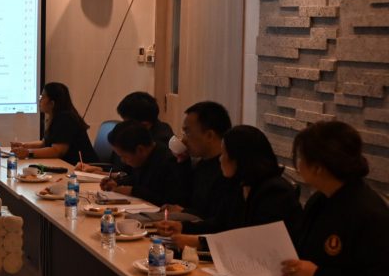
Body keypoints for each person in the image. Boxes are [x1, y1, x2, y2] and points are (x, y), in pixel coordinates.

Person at [281, 121, 389, 276]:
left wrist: (317, 274)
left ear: (318, 167)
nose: (298, 164)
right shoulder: (319, 200)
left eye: (301, 157)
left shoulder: (370, 213)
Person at [156, 126, 302, 248]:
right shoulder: (239, 185)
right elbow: (219, 224)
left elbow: (254, 243)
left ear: (239, 159)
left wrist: (199, 242)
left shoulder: (274, 192)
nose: (220, 159)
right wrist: (182, 227)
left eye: (224, 153)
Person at [168, 101, 236, 219]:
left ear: (209, 135)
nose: (184, 140)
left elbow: (217, 220)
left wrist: (184, 212)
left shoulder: (227, 170)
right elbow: (182, 200)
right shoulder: (202, 163)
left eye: (187, 132)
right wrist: (182, 163)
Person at [10, 82, 97, 165]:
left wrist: (28, 153)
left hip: (85, 169)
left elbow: (57, 151)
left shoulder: (66, 118)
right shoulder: (56, 117)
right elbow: (44, 143)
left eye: (43, 97)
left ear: (52, 103)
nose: (39, 100)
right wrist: (23, 146)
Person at [99, 120, 178, 206]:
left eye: (124, 156)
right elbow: (135, 179)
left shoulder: (169, 162)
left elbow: (166, 200)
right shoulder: (142, 158)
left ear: (140, 150)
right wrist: (117, 183)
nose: (122, 161)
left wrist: (133, 191)